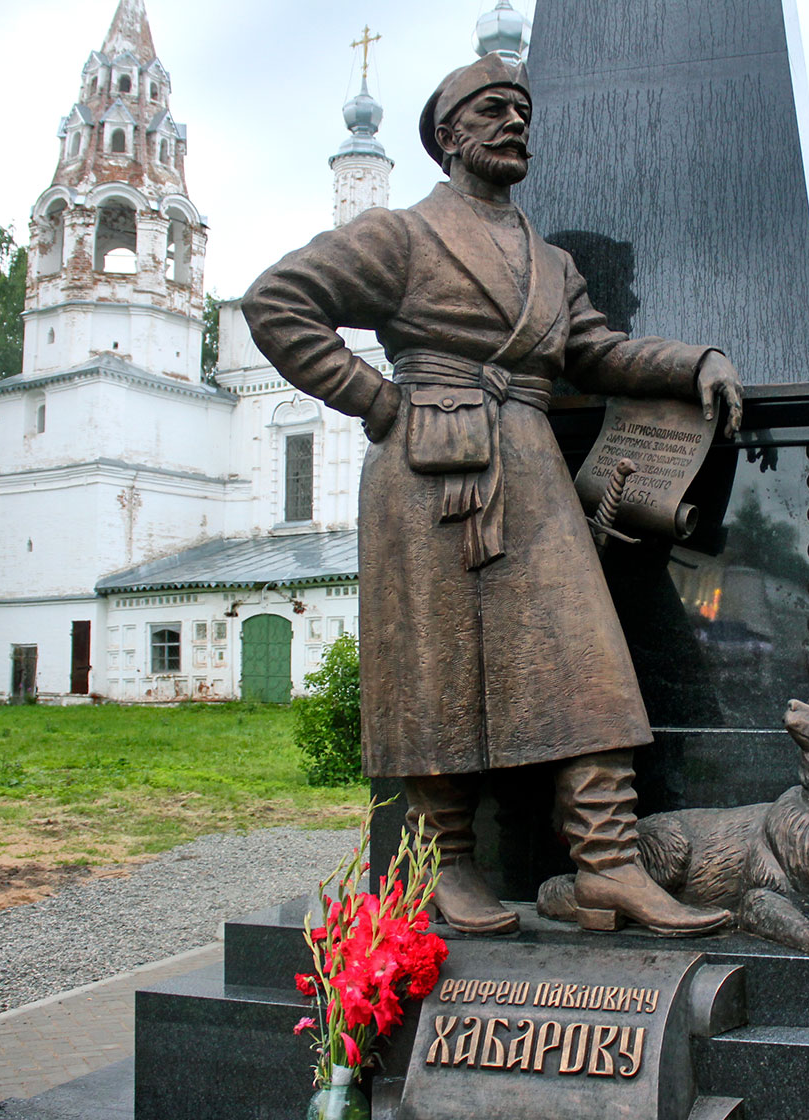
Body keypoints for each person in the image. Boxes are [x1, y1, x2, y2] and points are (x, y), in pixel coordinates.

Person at [243, 52, 742, 937]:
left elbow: (596, 351)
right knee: (434, 672)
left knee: (587, 661)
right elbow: (278, 302)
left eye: (523, 110)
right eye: (494, 109)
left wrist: (691, 360)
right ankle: (444, 864)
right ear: (450, 136)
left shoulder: (549, 264)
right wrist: (379, 401)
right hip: (430, 468)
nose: (516, 122)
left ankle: (609, 865)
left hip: (533, 466)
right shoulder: (400, 236)